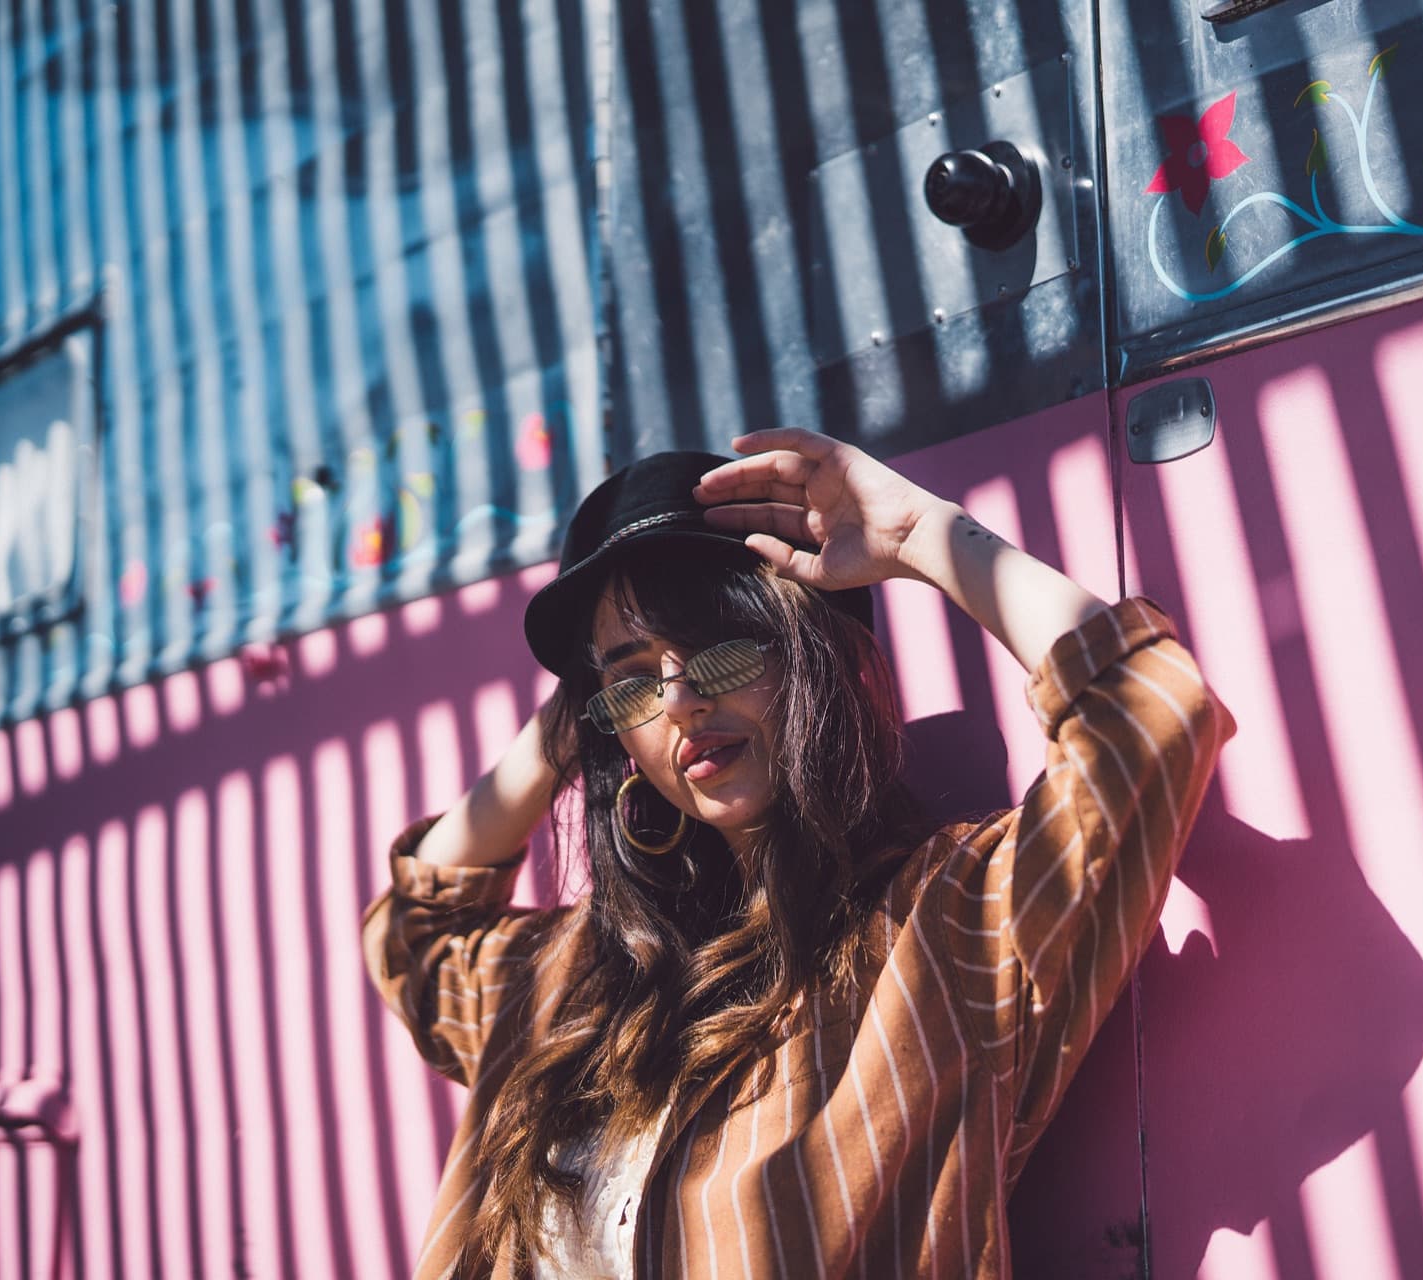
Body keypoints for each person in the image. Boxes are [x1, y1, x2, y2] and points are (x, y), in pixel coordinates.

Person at [363, 428, 1233, 1278]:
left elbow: (1148, 717)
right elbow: (416, 930)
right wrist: (573, 724)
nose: (679, 704)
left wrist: (923, 537)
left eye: (719, 650)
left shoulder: (942, 931)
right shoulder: (573, 981)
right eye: (633, 680)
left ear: (804, 651)